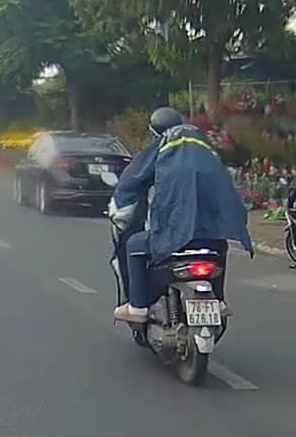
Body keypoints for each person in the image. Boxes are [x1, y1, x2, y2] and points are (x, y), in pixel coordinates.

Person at [108, 107, 254, 323]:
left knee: (134, 246)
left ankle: (138, 306)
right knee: (219, 246)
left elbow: (130, 183)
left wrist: (119, 211)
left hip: (175, 236)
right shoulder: (207, 151)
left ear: (155, 132)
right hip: (212, 236)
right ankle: (219, 300)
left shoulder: (164, 146)